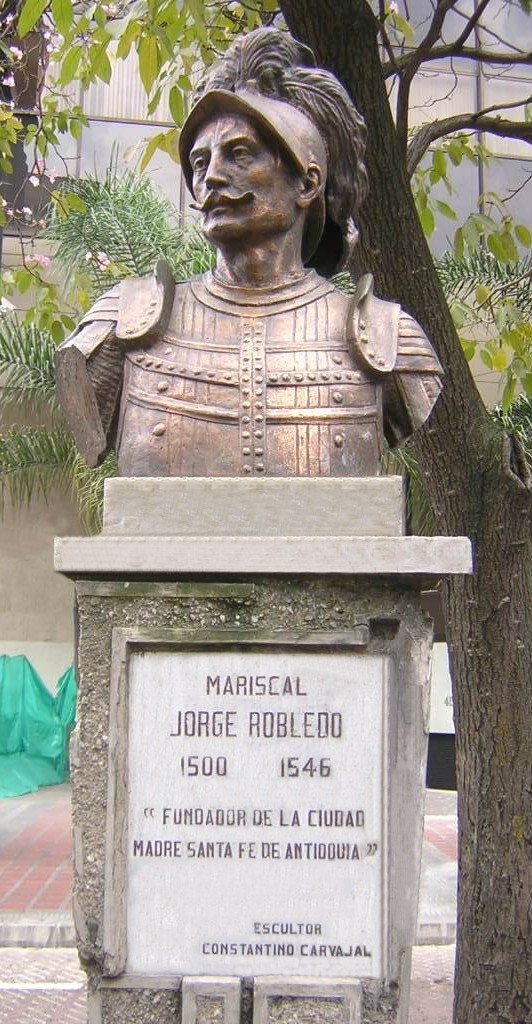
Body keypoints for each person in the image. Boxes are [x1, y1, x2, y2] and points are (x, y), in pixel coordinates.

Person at [55, 28, 442, 478]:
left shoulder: (386, 339)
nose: (211, 178)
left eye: (239, 154)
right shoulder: (119, 327)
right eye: (200, 162)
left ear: (307, 184)